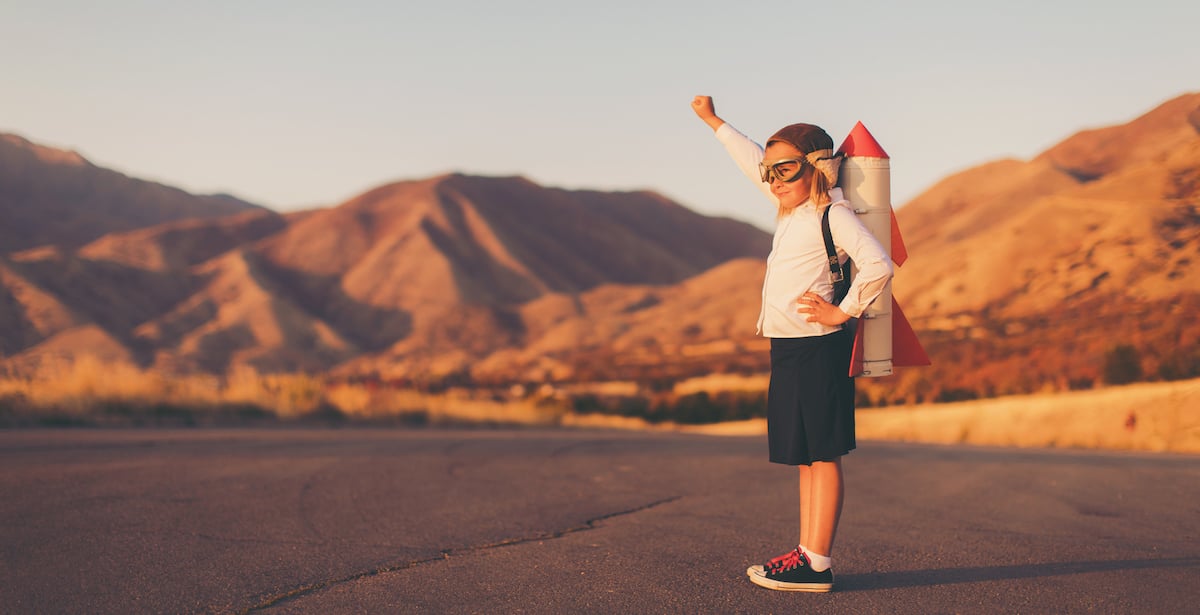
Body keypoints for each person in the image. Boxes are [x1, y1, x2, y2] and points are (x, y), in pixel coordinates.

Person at [690, 95, 893, 592]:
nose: (775, 181)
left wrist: (842, 312)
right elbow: (748, 155)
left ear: (819, 168)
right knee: (806, 455)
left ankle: (818, 563)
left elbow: (879, 265)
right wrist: (713, 121)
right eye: (770, 173)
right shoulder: (791, 209)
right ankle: (807, 552)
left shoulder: (831, 214)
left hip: (818, 347)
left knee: (823, 455)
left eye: (786, 169)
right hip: (789, 348)